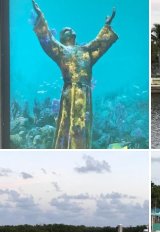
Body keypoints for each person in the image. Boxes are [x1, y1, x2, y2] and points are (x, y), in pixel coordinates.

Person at [32, 0, 118, 148]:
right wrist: (41, 16)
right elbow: (48, 40)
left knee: (81, 126)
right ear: (62, 38)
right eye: (66, 30)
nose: (70, 30)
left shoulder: (86, 51)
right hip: (70, 91)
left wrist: (107, 26)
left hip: (85, 93)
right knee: (67, 123)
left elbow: (99, 44)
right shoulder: (60, 51)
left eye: (70, 29)